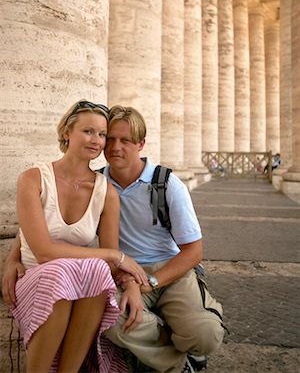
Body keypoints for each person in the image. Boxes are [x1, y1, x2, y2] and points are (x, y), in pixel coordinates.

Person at [3, 104, 224, 373]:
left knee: (204, 334)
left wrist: (142, 281)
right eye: (106, 136)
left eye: (121, 139)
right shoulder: (83, 181)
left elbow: (192, 251)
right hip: (107, 272)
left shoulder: (158, 186)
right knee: (103, 309)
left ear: (141, 144)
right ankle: (177, 362)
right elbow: (43, 230)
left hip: (164, 271)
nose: (109, 145)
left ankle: (184, 341)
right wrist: (13, 257)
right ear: (66, 133)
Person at [1, 100, 148, 373]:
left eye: (102, 134)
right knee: (63, 274)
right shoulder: (33, 179)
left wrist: (131, 284)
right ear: (67, 132)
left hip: (74, 282)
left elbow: (109, 262)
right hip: (38, 276)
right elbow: (43, 251)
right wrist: (13, 257)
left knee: (94, 271)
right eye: (88, 131)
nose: (97, 140)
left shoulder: (106, 192)